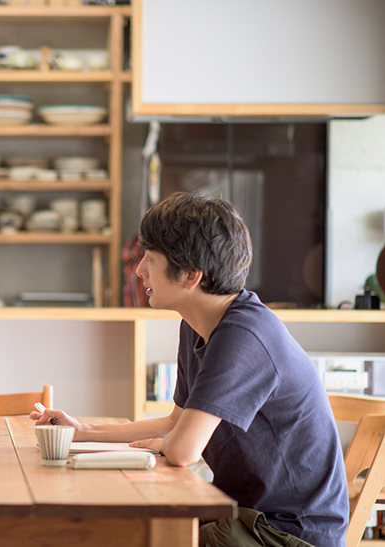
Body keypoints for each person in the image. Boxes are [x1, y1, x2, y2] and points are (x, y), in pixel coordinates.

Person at [32, 193, 348, 547]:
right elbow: (175, 423)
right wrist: (83, 431)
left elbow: (183, 450)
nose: (140, 270)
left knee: (133, 537)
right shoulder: (196, 324)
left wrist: (172, 443)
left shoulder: (245, 335)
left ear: (191, 276)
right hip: (244, 517)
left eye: (151, 259)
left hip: (287, 533)